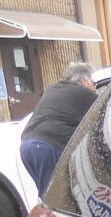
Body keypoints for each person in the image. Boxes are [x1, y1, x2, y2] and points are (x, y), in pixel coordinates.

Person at [19, 61, 98, 196]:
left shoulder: (54, 88)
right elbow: (106, 110)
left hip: (27, 147)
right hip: (45, 147)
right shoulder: (84, 94)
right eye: (93, 82)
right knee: (54, 197)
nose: (95, 86)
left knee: (47, 194)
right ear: (84, 82)